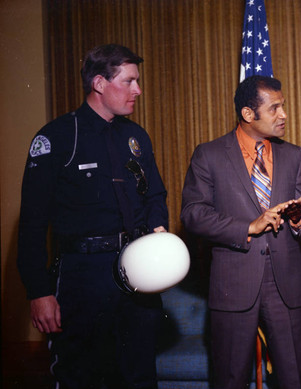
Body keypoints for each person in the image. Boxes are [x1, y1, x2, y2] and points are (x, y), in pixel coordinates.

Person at [17, 44, 169, 389]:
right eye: (130, 82)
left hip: (138, 275)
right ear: (100, 83)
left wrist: (159, 229)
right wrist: (38, 291)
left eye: (138, 81)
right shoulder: (56, 138)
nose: (138, 91)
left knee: (140, 376)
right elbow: (32, 223)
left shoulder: (135, 137)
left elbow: (156, 194)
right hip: (83, 277)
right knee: (81, 377)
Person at [181, 75, 301, 389]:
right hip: (233, 284)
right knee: (229, 378)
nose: (283, 114)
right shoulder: (209, 155)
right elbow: (192, 213)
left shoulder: (293, 155)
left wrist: (299, 216)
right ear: (248, 114)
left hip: (286, 283)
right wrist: (248, 227)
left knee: (295, 378)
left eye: (282, 106)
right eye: (274, 108)